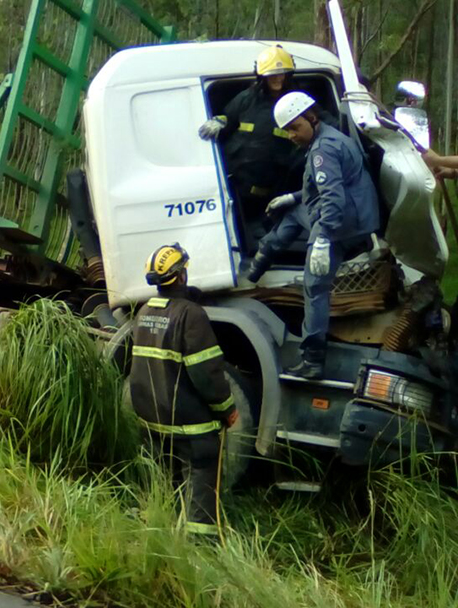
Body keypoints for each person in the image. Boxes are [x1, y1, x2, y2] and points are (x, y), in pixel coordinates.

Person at [245, 92, 380, 379]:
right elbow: (325, 188)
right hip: (354, 214)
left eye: (295, 127)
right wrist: (293, 198)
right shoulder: (329, 138)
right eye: (288, 130)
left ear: (312, 117)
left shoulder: (323, 150)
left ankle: (313, 359)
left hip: (343, 222)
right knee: (293, 214)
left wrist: (322, 241)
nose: (292, 135)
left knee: (315, 286)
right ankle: (261, 260)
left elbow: (332, 199)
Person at [130, 243, 239, 537]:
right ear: (180, 277)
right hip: (191, 425)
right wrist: (226, 408)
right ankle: (200, 547)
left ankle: (161, 535)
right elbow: (207, 373)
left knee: (165, 481)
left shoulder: (142, 313)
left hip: (153, 421)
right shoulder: (191, 315)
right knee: (201, 483)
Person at [198, 45, 303, 218]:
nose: (278, 78)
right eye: (272, 75)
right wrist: (218, 122)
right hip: (238, 187)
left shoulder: (296, 101)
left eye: (282, 74)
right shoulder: (247, 98)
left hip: (274, 190)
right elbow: (228, 117)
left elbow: (319, 120)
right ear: (262, 76)